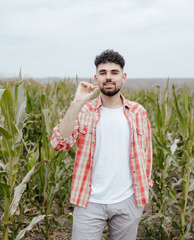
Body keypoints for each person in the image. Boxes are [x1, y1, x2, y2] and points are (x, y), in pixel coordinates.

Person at [50, 49, 153, 240]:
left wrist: (143, 190)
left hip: (128, 201)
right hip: (89, 201)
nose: (108, 77)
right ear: (96, 78)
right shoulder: (84, 111)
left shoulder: (138, 112)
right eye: (103, 72)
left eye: (114, 72)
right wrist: (77, 102)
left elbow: (147, 154)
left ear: (123, 77)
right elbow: (58, 144)